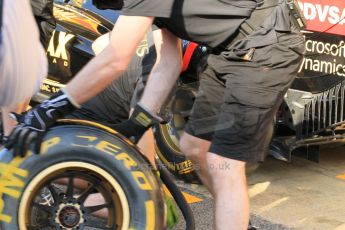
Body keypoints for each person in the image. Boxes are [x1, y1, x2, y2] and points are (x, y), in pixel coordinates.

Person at [6, 0, 305, 229]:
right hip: (232, 50)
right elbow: (168, 61)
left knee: (223, 163)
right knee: (194, 149)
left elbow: (116, 59)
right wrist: (140, 122)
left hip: (269, 46)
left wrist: (49, 108)